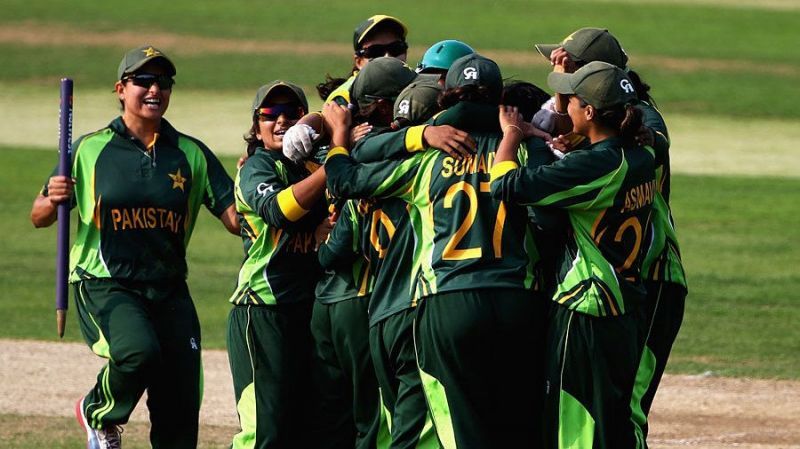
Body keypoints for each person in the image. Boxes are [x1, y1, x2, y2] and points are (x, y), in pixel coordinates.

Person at [324, 54, 546, 448]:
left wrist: (342, 140)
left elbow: (345, 179)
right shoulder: (520, 150)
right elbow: (551, 221)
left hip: (447, 303)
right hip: (517, 299)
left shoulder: (427, 159)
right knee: (519, 425)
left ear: (448, 97)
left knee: (459, 429)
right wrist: (526, 133)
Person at [30, 45, 238, 449]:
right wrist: (51, 197)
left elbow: (234, 218)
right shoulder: (90, 150)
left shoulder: (190, 152)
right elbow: (40, 216)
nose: (154, 89)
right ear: (121, 89)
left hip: (169, 287)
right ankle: (99, 412)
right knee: (138, 352)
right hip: (107, 281)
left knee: (180, 402)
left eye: (163, 82)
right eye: (143, 80)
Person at [491, 61, 657, 448]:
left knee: (574, 419)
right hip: (626, 306)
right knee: (613, 418)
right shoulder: (639, 157)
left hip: (585, 307)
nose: (563, 105)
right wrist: (540, 139)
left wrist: (514, 136)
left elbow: (508, 185)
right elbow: (580, 174)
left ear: (589, 112)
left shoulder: (595, 164)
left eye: (572, 99)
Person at [535, 27, 688, 437]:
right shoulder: (602, 120)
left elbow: (640, 152)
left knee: (626, 409)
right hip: (623, 279)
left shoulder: (640, 120)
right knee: (605, 408)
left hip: (652, 275)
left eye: (570, 72)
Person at [226, 80, 329, 449]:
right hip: (263, 312)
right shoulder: (257, 167)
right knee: (265, 434)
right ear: (257, 127)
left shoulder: (310, 167)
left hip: (308, 311)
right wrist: (335, 167)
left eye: (292, 113)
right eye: (270, 114)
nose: (281, 120)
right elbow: (279, 210)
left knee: (305, 430)